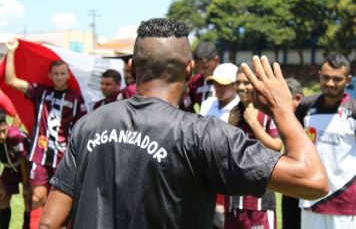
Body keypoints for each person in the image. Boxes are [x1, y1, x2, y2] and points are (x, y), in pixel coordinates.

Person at [39, 18, 328, 229]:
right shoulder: (204, 136)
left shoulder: (88, 126)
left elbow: (49, 223)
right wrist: (283, 109)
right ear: (190, 70)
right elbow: (313, 181)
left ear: (131, 68)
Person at [5, 40, 87, 228]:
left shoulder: (76, 98)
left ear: (68, 75)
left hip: (64, 158)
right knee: (37, 197)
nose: (59, 77)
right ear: (50, 75)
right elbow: (11, 81)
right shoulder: (41, 92)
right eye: (56, 74)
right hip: (41, 156)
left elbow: (82, 127)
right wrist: (11, 52)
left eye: (62, 73)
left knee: (66, 202)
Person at [296, 53, 356, 229]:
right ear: (319, 75)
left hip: (344, 202)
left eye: (337, 79)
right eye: (326, 77)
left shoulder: (353, 110)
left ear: (348, 79)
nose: (330, 83)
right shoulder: (305, 107)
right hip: (310, 199)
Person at [224, 67, 282, 229]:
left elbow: (277, 147)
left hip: (259, 202)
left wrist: (254, 124)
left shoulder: (267, 112)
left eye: (246, 82)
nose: (241, 87)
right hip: (234, 201)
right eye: (238, 82)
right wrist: (229, 127)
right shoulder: (233, 113)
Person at [199, 63, 240, 229]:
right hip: (207, 170)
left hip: (227, 172)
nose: (218, 88)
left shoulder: (239, 107)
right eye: (216, 83)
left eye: (223, 84)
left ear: (234, 85)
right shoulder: (207, 103)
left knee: (225, 220)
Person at [0, 109, 30, 229]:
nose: (2, 136)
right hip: (9, 169)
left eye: (3, 131)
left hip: (26, 167)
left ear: (7, 125)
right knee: (2, 199)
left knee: (29, 199)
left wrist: (27, 184)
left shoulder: (15, 136)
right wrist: (1, 184)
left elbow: (24, 162)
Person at [282, 78, 304, 229]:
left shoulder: (310, 120)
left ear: (297, 99)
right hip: (289, 193)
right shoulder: (287, 121)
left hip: (306, 194)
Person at [180, 41, 220, 112]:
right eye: (198, 68)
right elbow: (186, 105)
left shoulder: (229, 77)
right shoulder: (195, 81)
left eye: (205, 67)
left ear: (216, 60)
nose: (201, 71)